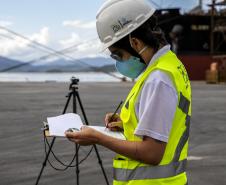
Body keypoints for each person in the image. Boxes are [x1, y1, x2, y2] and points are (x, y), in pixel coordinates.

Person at [65, 0, 192, 184]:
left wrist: (98, 138)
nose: (118, 62)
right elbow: (168, 124)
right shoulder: (169, 65)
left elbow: (152, 153)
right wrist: (128, 125)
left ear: (135, 42)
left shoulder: (159, 79)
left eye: (117, 54)